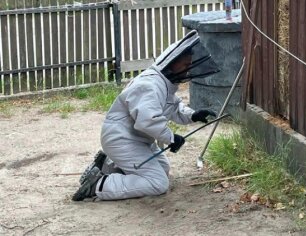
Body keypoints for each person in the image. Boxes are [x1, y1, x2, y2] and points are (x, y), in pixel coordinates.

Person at [72, 30, 220, 201]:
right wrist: (170, 138)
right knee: (157, 183)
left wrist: (193, 115)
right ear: (172, 62)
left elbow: (173, 107)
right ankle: (98, 184)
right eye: (185, 65)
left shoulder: (164, 83)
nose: (187, 70)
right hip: (122, 139)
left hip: (138, 140)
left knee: (162, 169)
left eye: (189, 65)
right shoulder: (149, 85)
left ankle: (108, 166)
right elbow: (147, 122)